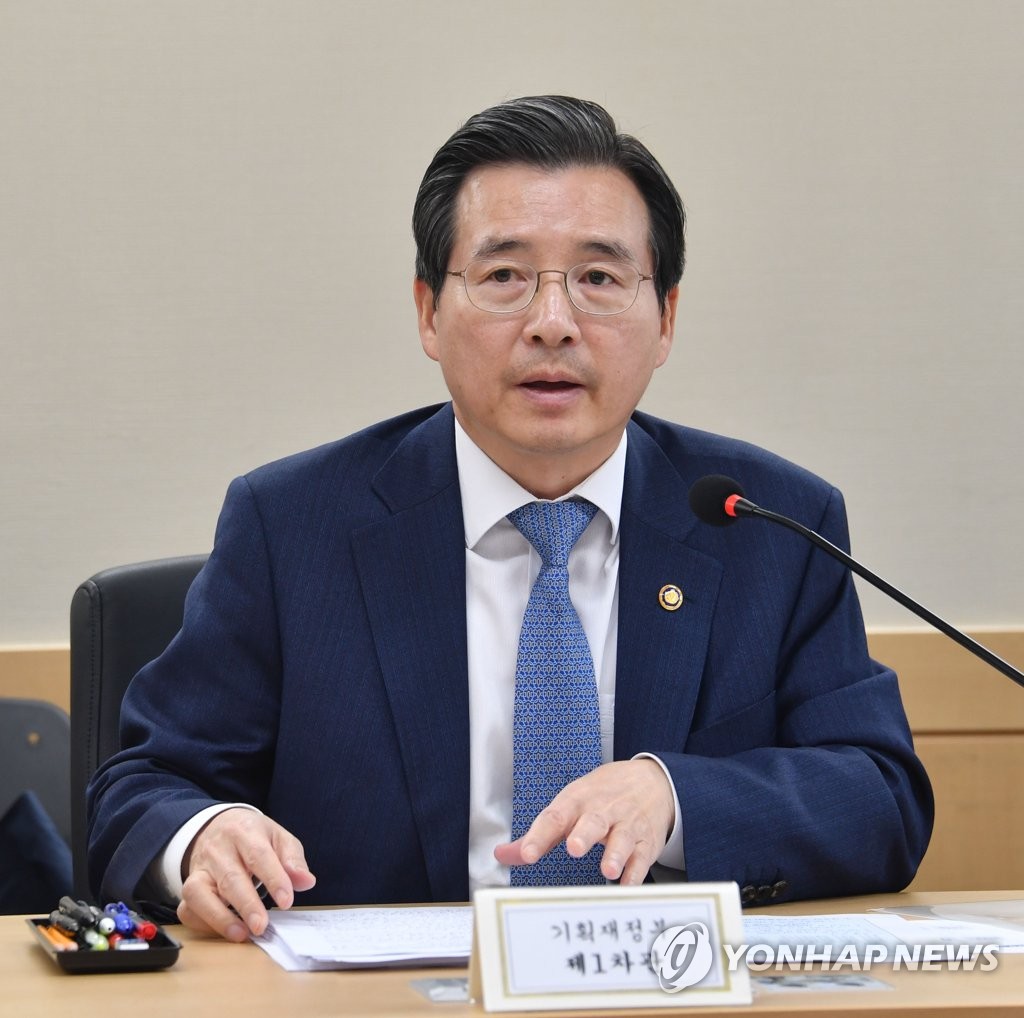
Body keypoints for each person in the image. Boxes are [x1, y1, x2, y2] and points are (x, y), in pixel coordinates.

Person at [87, 95, 933, 942]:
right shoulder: (292, 528)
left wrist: (676, 798)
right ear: (429, 312)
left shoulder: (768, 527)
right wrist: (204, 837)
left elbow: (881, 796)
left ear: (666, 319)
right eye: (503, 278)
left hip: (666, 986)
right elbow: (142, 788)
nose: (552, 325)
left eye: (599, 279)